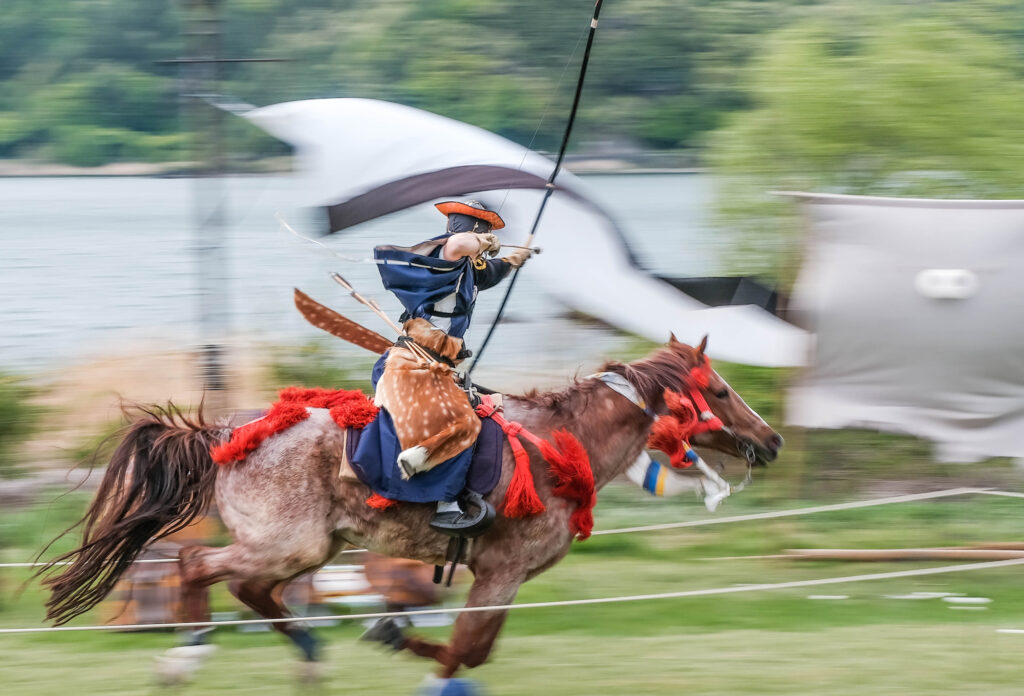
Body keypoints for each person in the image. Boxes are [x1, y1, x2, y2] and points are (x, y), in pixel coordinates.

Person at [351, 200, 530, 534]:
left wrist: (515, 259)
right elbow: (458, 244)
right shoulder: (444, 258)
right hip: (413, 366)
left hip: (434, 365)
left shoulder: (465, 269)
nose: (485, 242)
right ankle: (444, 505)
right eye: (484, 233)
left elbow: (489, 273)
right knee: (464, 424)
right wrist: (486, 242)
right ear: (473, 231)